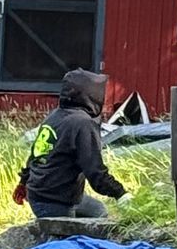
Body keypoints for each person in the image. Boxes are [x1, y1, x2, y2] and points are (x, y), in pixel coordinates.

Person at [17, 68, 128, 223]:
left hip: (41, 193)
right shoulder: (83, 123)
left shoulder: (56, 115)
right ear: (91, 94)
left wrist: (23, 182)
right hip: (53, 200)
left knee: (98, 211)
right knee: (67, 244)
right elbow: (95, 171)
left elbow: (36, 154)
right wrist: (121, 194)